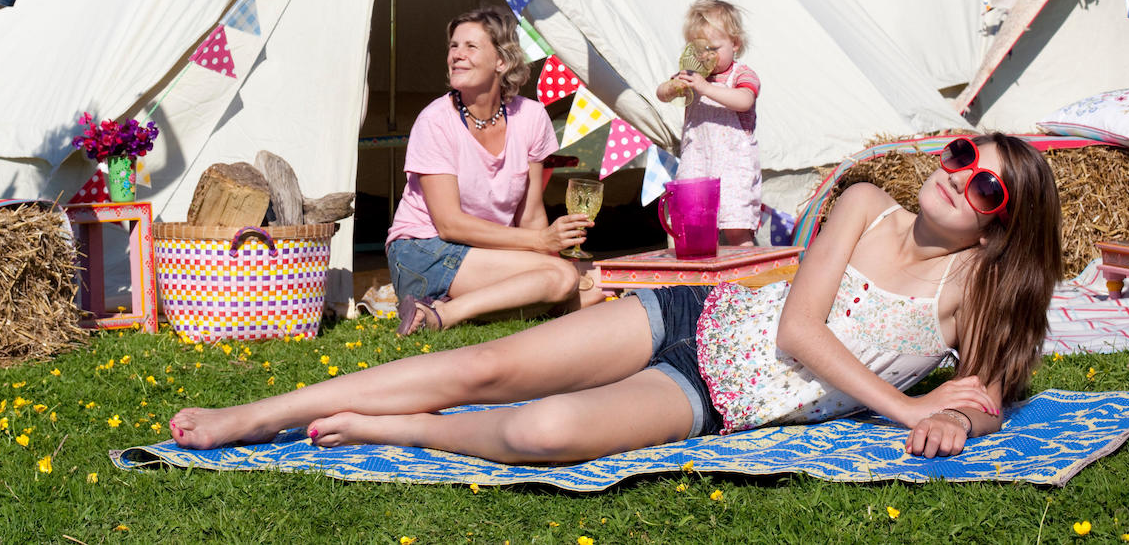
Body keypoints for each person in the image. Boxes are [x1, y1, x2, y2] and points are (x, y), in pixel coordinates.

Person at [169, 133, 1062, 464]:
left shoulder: (969, 292)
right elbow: (799, 325)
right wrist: (907, 404)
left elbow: (980, 394)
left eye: (990, 189)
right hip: (692, 320)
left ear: (1000, 227)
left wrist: (962, 419)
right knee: (488, 365)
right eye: (962, 159)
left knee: (544, 431)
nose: (963, 183)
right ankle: (258, 412)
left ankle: (394, 426)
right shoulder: (869, 206)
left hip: (713, 400)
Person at [384, 7, 605, 337]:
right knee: (563, 280)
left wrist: (551, 250)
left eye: (470, 47)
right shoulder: (435, 122)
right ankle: (442, 315)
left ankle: (491, 303)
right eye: (453, 46)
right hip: (422, 250)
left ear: (502, 61)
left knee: (598, 282)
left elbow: (530, 217)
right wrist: (544, 248)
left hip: (487, 253)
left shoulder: (530, 118)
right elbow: (449, 224)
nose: (456, 55)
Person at [656, 0, 761, 246]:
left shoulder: (742, 74)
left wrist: (705, 89)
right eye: (698, 49)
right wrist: (672, 87)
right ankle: (705, 279)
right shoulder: (694, 76)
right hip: (697, 160)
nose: (706, 56)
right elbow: (660, 93)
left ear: (735, 44)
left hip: (734, 165)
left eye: (713, 48)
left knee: (736, 228)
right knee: (695, 228)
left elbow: (744, 100)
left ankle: (746, 279)